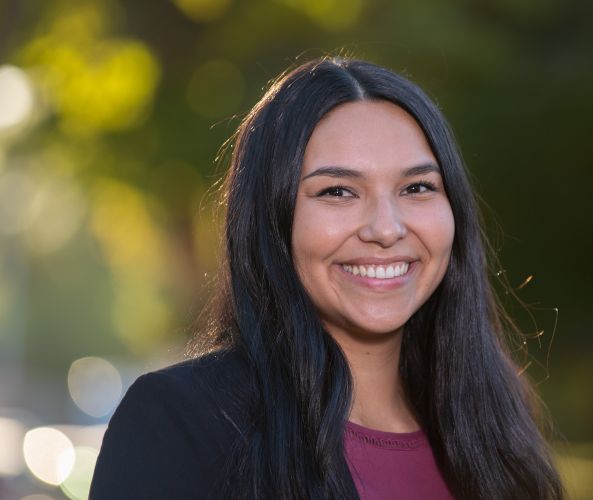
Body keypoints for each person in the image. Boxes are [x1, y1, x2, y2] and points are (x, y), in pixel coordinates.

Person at [90, 56, 564, 499]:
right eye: (338, 191)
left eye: (417, 187)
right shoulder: (179, 422)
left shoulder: (497, 432)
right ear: (271, 219)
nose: (386, 229)